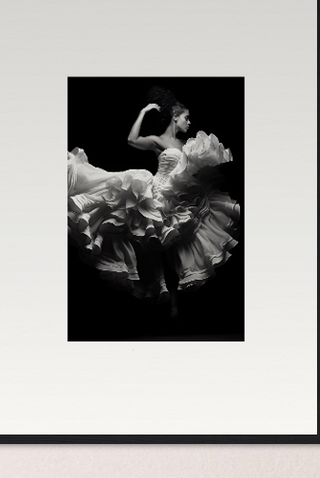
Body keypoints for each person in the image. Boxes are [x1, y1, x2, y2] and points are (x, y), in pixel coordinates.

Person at [67, 87, 240, 316]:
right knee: (150, 247)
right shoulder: (157, 141)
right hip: (155, 195)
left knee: (176, 249)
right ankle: (157, 304)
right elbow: (131, 139)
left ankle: (174, 305)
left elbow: (190, 170)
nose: (189, 122)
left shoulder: (185, 144)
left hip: (178, 198)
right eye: (186, 118)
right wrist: (145, 111)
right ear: (174, 117)